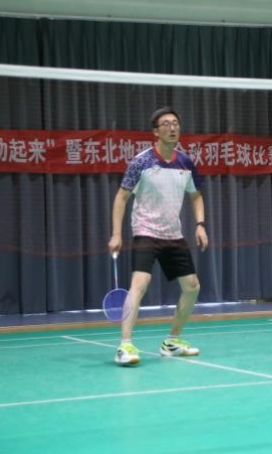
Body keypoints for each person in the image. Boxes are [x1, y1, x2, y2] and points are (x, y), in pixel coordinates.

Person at [108, 106, 208, 366]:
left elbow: (196, 196)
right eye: (166, 124)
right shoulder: (141, 162)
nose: (172, 127)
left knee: (192, 287)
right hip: (146, 231)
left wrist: (200, 224)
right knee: (140, 284)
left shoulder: (185, 163)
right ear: (155, 131)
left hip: (173, 234)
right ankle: (125, 345)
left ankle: (172, 341)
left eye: (175, 123)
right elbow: (121, 197)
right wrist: (116, 233)